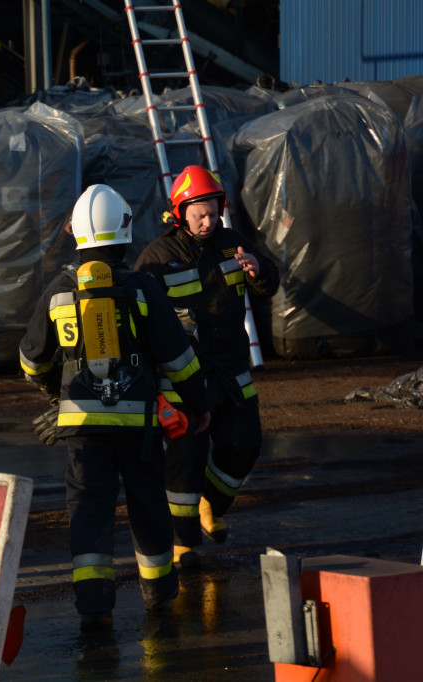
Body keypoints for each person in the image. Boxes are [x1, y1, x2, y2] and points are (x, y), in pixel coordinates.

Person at [19, 184, 210, 629]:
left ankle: (93, 601)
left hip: (82, 428)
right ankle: (159, 591)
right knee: (147, 502)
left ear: (78, 234)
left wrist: (58, 395)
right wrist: (199, 405)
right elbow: (178, 358)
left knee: (88, 509)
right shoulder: (142, 288)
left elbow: (32, 360)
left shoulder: (59, 291)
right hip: (138, 427)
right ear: (124, 232)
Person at [135, 165, 279, 566]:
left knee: (245, 443)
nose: (208, 220)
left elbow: (270, 282)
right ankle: (183, 544)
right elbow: (139, 318)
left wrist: (259, 271)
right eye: (199, 213)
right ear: (180, 212)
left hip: (231, 370)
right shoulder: (157, 259)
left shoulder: (233, 245)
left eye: (214, 212)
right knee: (184, 463)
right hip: (184, 378)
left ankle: (210, 505)